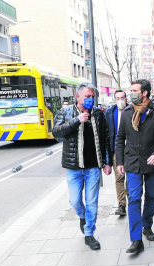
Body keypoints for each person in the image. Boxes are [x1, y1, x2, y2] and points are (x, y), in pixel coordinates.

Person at [52, 83, 112, 250]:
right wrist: (75, 121)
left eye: (92, 97)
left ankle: (89, 233)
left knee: (92, 201)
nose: (90, 99)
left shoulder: (99, 115)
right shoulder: (65, 112)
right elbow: (56, 133)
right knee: (75, 200)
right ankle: (82, 216)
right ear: (77, 96)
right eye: (87, 96)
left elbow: (106, 139)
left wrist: (107, 162)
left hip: (93, 167)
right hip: (73, 167)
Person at [116, 79, 154, 253]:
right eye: (131, 89)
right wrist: (119, 162)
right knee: (133, 199)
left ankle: (147, 225)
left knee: (151, 196)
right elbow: (120, 139)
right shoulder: (126, 113)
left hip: (151, 162)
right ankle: (136, 239)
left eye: (134, 90)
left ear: (144, 93)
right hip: (132, 162)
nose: (131, 93)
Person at [104, 90, 129, 216]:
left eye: (122, 97)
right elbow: (106, 135)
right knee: (119, 178)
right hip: (116, 151)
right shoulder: (109, 113)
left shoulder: (132, 111)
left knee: (130, 177)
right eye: (117, 98)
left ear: (126, 99)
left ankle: (132, 201)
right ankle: (121, 205)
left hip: (131, 151)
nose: (120, 100)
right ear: (114, 99)